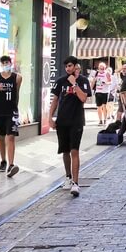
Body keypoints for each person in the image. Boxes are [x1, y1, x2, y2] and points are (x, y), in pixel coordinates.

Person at [50, 56, 90, 197]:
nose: (68, 68)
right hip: (62, 120)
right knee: (65, 150)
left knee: (75, 150)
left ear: (76, 66)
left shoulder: (83, 81)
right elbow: (55, 100)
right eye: (66, 66)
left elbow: (83, 98)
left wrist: (75, 85)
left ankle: (75, 182)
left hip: (76, 121)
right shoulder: (60, 81)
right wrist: (50, 117)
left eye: (70, 66)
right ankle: (68, 176)